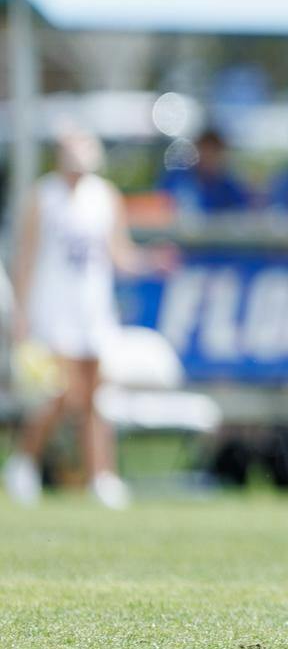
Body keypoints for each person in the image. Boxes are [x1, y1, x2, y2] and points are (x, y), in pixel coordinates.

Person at [4, 130, 173, 509]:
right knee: (61, 394)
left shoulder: (104, 196)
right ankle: (23, 462)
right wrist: (21, 316)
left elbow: (119, 254)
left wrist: (150, 263)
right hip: (52, 309)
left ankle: (101, 476)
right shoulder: (43, 197)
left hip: (92, 309)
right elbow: (26, 259)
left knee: (96, 395)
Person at [159, 127, 256, 218]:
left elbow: (242, 214)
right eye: (205, 150)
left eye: (214, 152)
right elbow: (158, 204)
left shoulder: (228, 187)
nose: (208, 156)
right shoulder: (176, 178)